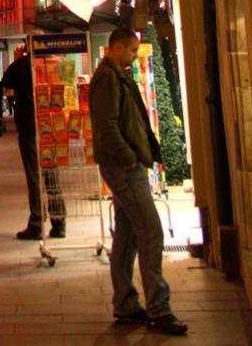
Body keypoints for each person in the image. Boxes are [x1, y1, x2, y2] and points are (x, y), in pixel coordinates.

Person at [90, 27, 187, 336]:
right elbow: (107, 124)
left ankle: (126, 305)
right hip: (123, 166)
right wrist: (129, 157)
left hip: (124, 163)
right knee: (152, 232)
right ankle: (159, 309)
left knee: (129, 235)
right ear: (117, 47)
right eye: (131, 51)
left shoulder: (117, 75)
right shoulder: (108, 78)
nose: (133, 56)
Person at [3, 46, 65, 239]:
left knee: (34, 175)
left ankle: (37, 223)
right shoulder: (55, 64)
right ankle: (59, 222)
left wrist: (16, 58)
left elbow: (7, 82)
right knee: (51, 173)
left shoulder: (22, 65)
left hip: (30, 126)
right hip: (51, 126)